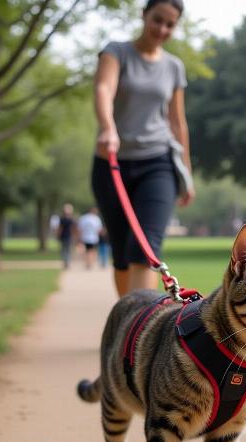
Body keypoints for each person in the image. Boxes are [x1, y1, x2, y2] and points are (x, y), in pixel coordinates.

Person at [91, 0, 194, 297]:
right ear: (143, 15)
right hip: (111, 163)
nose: (162, 29)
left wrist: (186, 173)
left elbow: (178, 122)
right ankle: (126, 323)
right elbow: (103, 89)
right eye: (157, 20)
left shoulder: (174, 67)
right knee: (122, 255)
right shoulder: (117, 52)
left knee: (145, 249)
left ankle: (139, 334)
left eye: (170, 24)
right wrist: (108, 127)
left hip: (158, 163)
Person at [57, 203, 76, 269]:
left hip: (67, 236)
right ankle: (66, 262)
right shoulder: (69, 219)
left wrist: (58, 235)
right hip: (66, 236)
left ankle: (66, 262)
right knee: (66, 250)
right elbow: (61, 228)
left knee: (65, 250)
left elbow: (61, 228)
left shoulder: (64, 219)